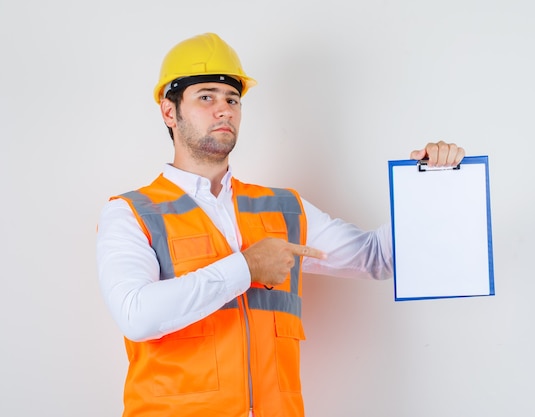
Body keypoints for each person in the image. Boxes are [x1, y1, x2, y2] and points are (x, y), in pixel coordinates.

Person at [96, 32, 465, 417]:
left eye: (232, 99)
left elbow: (379, 259)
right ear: (169, 112)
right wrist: (247, 268)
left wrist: (429, 185)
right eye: (206, 97)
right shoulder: (131, 213)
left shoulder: (284, 208)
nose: (224, 110)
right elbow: (136, 316)